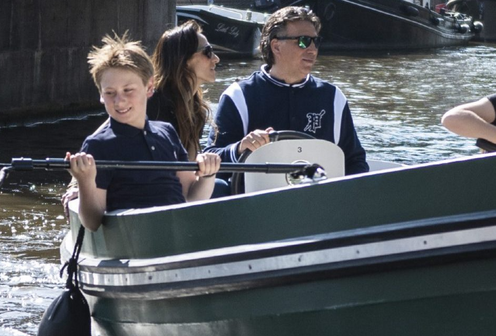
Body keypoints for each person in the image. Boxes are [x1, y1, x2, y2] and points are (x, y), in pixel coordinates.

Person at [62, 33, 221, 232]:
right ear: (101, 95)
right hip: (136, 240)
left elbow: (190, 196)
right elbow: (93, 222)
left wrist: (208, 174)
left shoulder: (167, 133)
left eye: (128, 90)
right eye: (110, 93)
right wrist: (84, 181)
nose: (119, 101)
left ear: (149, 88)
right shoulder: (98, 145)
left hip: (179, 233)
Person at [206, 6, 368, 177]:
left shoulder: (334, 98)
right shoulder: (239, 96)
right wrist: (239, 148)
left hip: (320, 199)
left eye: (316, 41)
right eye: (303, 41)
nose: (312, 50)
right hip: (257, 200)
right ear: (276, 47)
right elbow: (211, 159)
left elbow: (355, 162)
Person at [149, 21, 272, 197]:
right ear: (183, 60)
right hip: (153, 192)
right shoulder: (154, 104)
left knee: (224, 186)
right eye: (208, 52)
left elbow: (189, 164)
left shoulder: (194, 108)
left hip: (178, 186)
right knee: (222, 188)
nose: (216, 58)